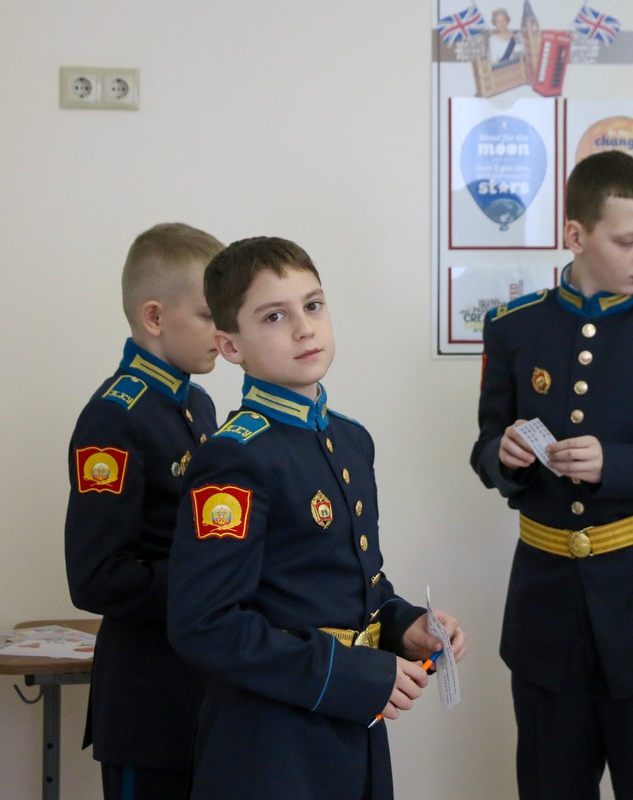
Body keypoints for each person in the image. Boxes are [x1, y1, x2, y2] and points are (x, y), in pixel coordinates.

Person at [469, 150, 633, 800]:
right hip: (545, 607)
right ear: (575, 234)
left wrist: (618, 465)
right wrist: (503, 456)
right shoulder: (513, 327)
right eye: (628, 241)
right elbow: (484, 445)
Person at [167, 236, 468, 800]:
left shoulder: (350, 439)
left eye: (313, 305)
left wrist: (404, 624)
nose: (304, 328)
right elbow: (205, 624)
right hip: (270, 747)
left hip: (352, 727)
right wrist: (351, 675)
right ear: (230, 346)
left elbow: (349, 583)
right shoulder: (235, 456)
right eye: (274, 316)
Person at [64, 222, 224, 800]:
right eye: (208, 315)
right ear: (154, 317)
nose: (223, 331)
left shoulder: (196, 403)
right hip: (149, 704)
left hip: (203, 693)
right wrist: (212, 580)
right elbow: (97, 577)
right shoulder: (115, 417)